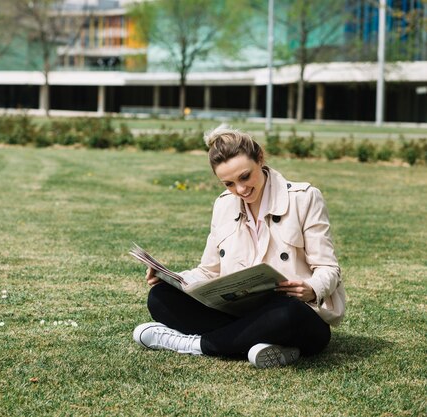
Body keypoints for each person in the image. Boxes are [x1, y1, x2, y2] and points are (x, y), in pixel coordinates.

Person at [132, 125, 346, 368]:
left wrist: (311, 288)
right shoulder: (224, 205)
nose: (240, 190)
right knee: (160, 298)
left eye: (245, 177)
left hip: (295, 313)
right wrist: (173, 279)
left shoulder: (304, 198)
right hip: (238, 312)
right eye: (229, 184)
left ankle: (194, 344)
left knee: (287, 314)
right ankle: (265, 345)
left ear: (260, 158)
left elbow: (329, 268)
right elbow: (208, 271)